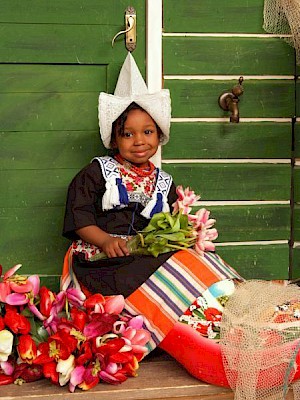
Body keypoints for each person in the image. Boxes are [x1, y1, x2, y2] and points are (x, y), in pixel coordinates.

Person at [60, 53, 244, 387]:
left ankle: (234, 314)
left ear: (160, 136)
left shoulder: (163, 182)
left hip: (145, 254)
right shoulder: (98, 172)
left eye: (147, 132)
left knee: (198, 256)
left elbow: (177, 221)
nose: (139, 141)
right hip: (104, 260)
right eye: (128, 134)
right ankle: (195, 332)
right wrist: (105, 240)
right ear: (114, 138)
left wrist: (184, 235)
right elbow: (78, 216)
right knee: (161, 267)